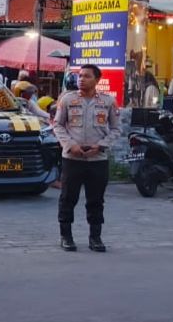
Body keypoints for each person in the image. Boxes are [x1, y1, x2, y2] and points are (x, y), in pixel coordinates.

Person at [52, 64, 121, 253]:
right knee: (68, 198)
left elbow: (116, 129)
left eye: (87, 76)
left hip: (97, 159)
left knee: (96, 200)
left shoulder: (108, 102)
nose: (81, 79)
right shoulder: (67, 99)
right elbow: (57, 125)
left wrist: (101, 145)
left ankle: (95, 237)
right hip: (72, 158)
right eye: (80, 76)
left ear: (97, 80)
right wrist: (69, 145)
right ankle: (66, 236)